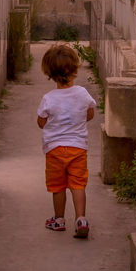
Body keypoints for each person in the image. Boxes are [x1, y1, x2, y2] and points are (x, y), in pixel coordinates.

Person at [36, 42, 96, 238]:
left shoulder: (49, 98)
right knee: (78, 184)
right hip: (78, 148)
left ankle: (59, 219)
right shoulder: (82, 93)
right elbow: (90, 114)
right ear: (75, 69)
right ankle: (81, 219)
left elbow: (41, 122)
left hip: (54, 150)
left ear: (50, 73)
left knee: (58, 186)